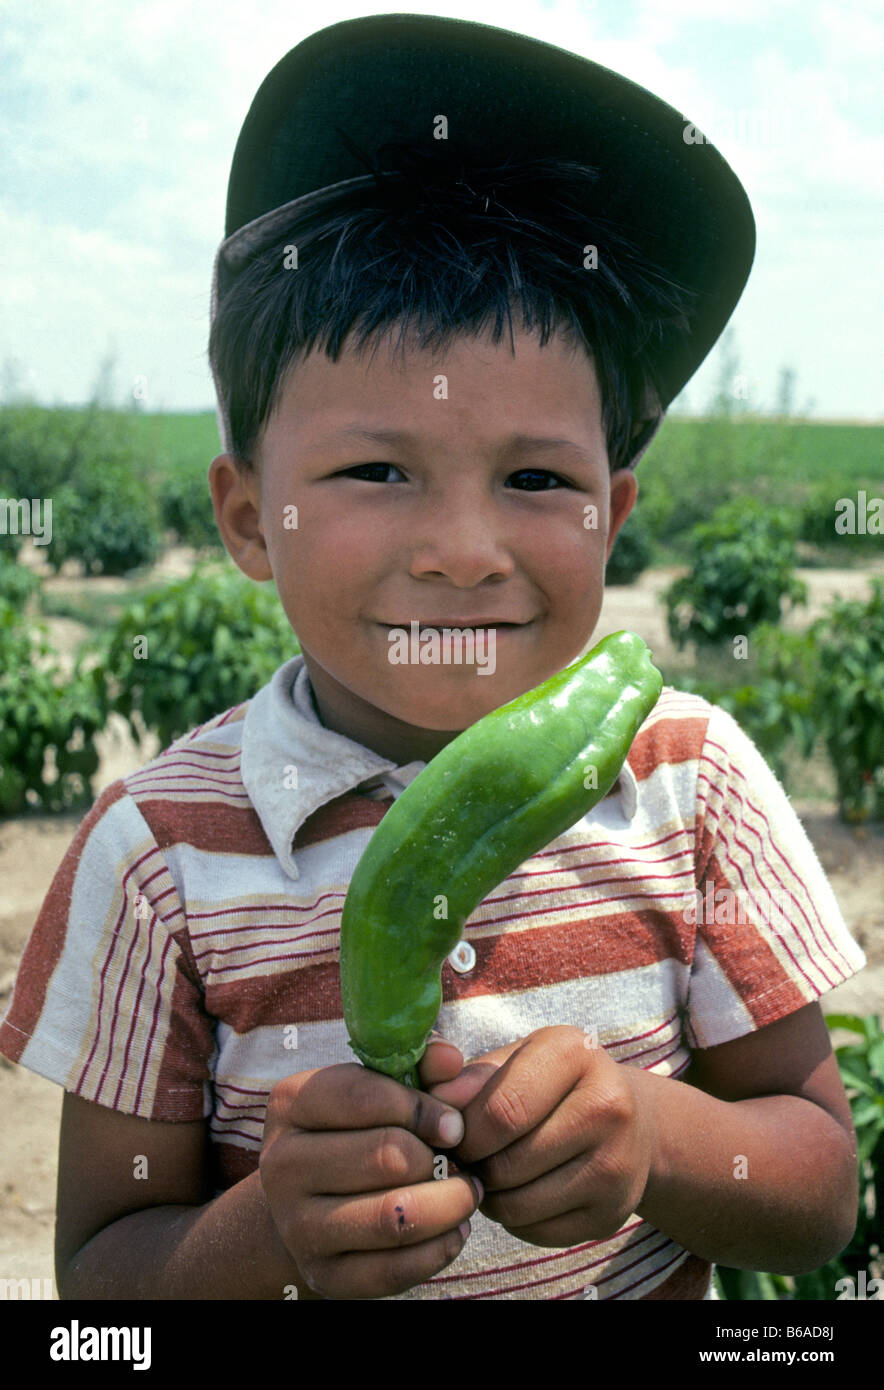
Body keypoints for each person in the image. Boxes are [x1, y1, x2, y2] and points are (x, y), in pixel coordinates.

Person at [0, 15, 866, 1302]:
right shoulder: (156, 857)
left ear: (611, 519)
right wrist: (270, 1229)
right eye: (375, 469)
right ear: (248, 518)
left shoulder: (694, 784)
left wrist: (658, 1139)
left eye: (533, 477)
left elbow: (814, 1203)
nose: (463, 551)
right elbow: (99, 1285)